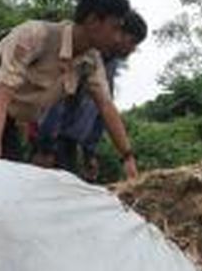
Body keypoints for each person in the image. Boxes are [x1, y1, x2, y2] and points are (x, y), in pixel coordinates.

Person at [0, 0, 138, 184]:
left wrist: (127, 157)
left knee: (8, 189)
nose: (118, 38)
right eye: (115, 28)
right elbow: (2, 93)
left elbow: (106, 106)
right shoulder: (35, 35)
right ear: (93, 21)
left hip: (6, 118)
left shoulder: (90, 61)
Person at [33, 10, 148, 181]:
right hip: (51, 139)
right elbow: (57, 98)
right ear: (118, 33)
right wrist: (45, 147)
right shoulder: (84, 52)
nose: (133, 49)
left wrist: (90, 153)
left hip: (71, 143)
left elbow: (103, 109)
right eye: (132, 42)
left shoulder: (110, 64)